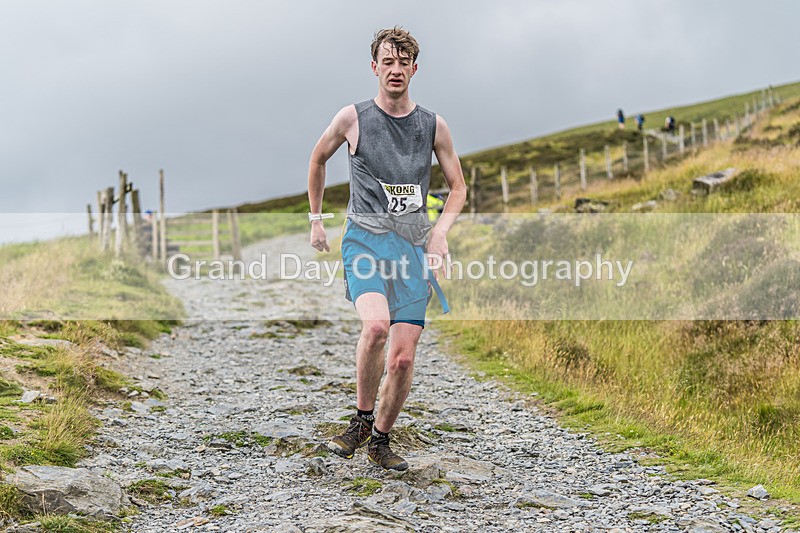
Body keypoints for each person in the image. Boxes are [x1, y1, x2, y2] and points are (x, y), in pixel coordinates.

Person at [306, 27, 467, 471]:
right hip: (364, 242)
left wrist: (439, 233)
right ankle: (360, 419)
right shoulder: (352, 118)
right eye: (387, 62)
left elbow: (458, 188)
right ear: (375, 67)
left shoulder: (433, 125)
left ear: (414, 69)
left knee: (402, 357)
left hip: (412, 250)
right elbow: (318, 158)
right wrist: (316, 219)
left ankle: (380, 438)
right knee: (376, 328)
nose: (395, 70)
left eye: (403, 62)